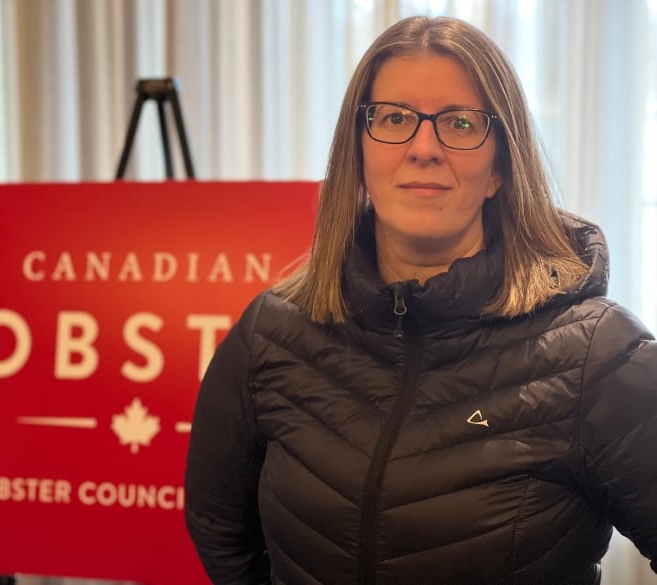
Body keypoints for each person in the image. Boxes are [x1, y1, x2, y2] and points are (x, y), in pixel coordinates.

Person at [184, 15, 657, 585]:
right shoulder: (270, 334)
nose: (423, 147)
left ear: (500, 170)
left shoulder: (598, 355)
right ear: (358, 153)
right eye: (395, 118)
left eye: (460, 122)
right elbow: (220, 529)